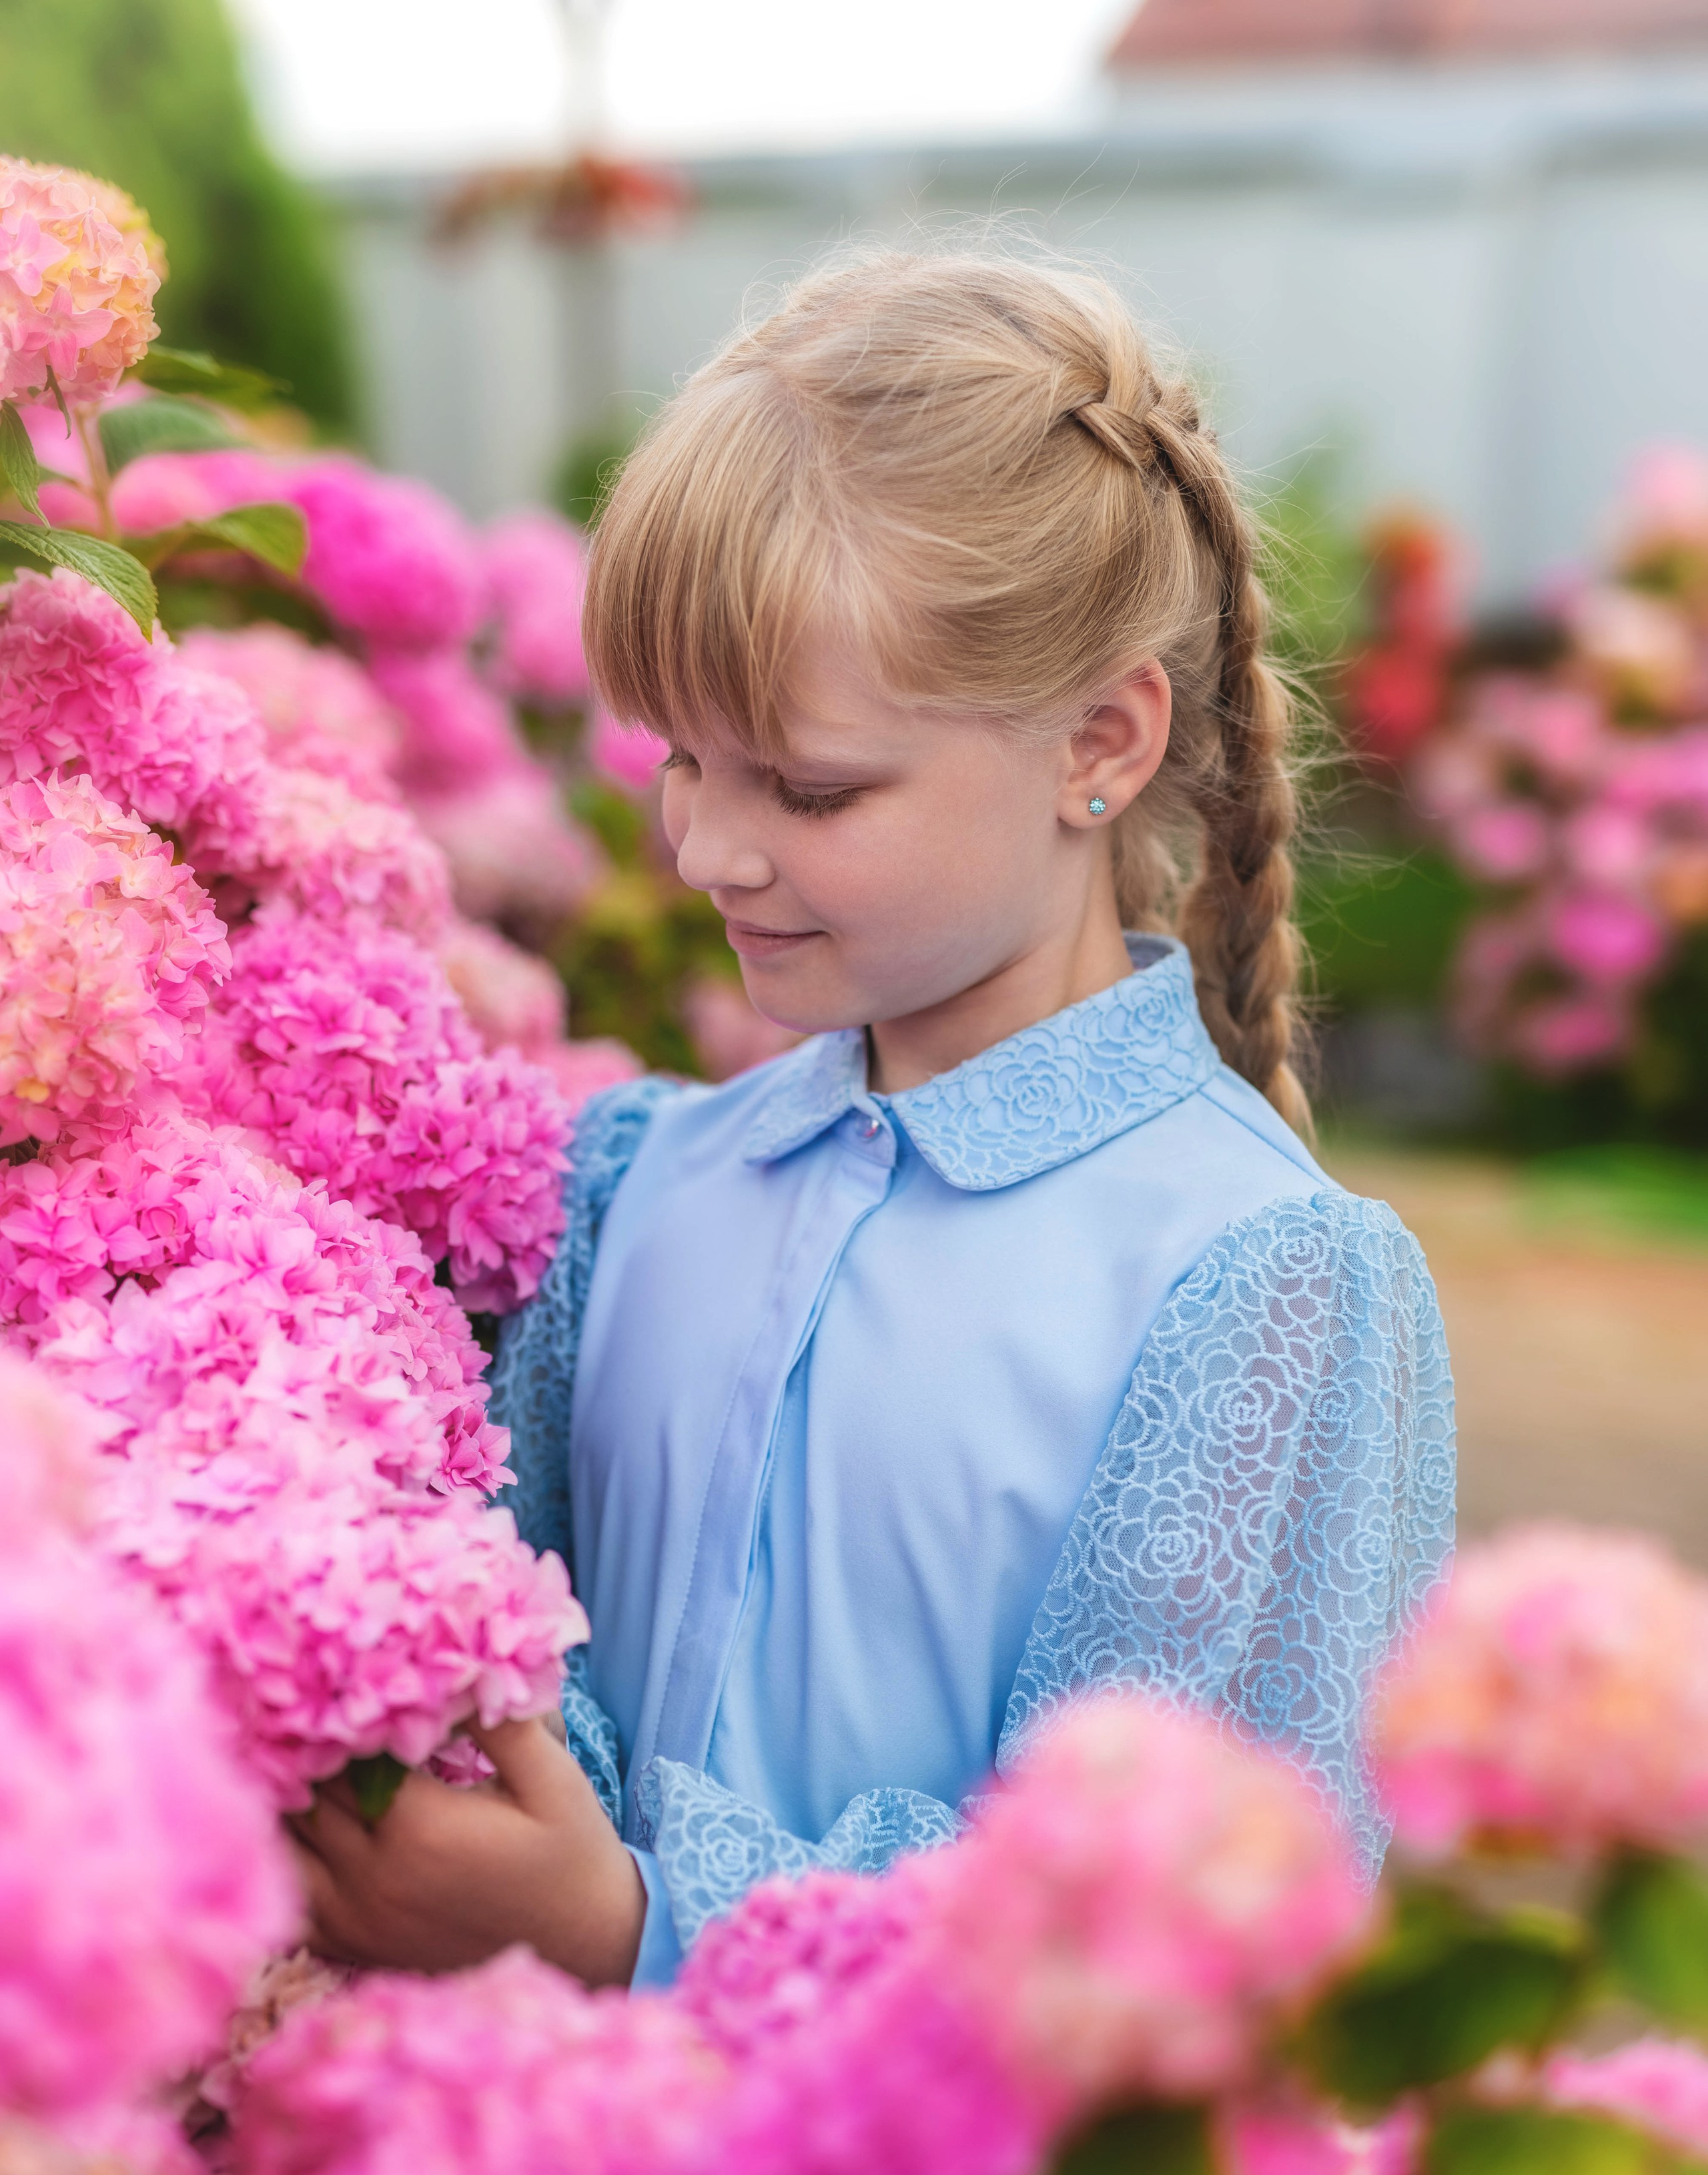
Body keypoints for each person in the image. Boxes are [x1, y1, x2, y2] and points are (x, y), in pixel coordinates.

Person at [291, 248, 1454, 1991]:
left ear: (1101, 741)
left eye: (811, 788)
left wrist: (635, 1926)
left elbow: (1176, 1949)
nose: (706, 850)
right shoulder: (631, 1186)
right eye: (681, 760)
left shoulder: (1264, 1284)